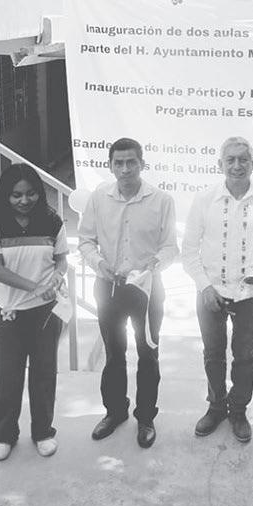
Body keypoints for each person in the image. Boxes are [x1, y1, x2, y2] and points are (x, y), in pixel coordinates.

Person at [182, 137, 253, 443]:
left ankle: (238, 410)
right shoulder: (204, 199)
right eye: (231, 160)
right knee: (213, 354)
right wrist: (204, 287)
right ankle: (216, 407)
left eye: (244, 159)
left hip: (249, 295)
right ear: (220, 164)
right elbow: (189, 250)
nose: (237, 166)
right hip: (210, 292)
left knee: (244, 355)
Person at [78, 137, 178, 449]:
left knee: (147, 354)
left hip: (147, 290)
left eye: (131, 162)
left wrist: (155, 263)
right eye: (118, 163)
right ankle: (115, 412)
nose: (125, 169)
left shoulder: (161, 200)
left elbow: (170, 247)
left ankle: (145, 417)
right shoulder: (99, 197)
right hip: (108, 287)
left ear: (142, 164)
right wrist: (99, 264)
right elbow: (85, 240)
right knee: (114, 353)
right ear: (110, 166)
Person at [0, 164, 68, 461]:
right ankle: (4, 435)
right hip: (9, 314)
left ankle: (43, 432)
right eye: (16, 195)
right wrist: (35, 287)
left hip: (46, 313)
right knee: (7, 377)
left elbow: (61, 260)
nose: (24, 200)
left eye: (30, 193)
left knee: (44, 374)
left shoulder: (52, 221)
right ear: (6, 195)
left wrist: (57, 277)